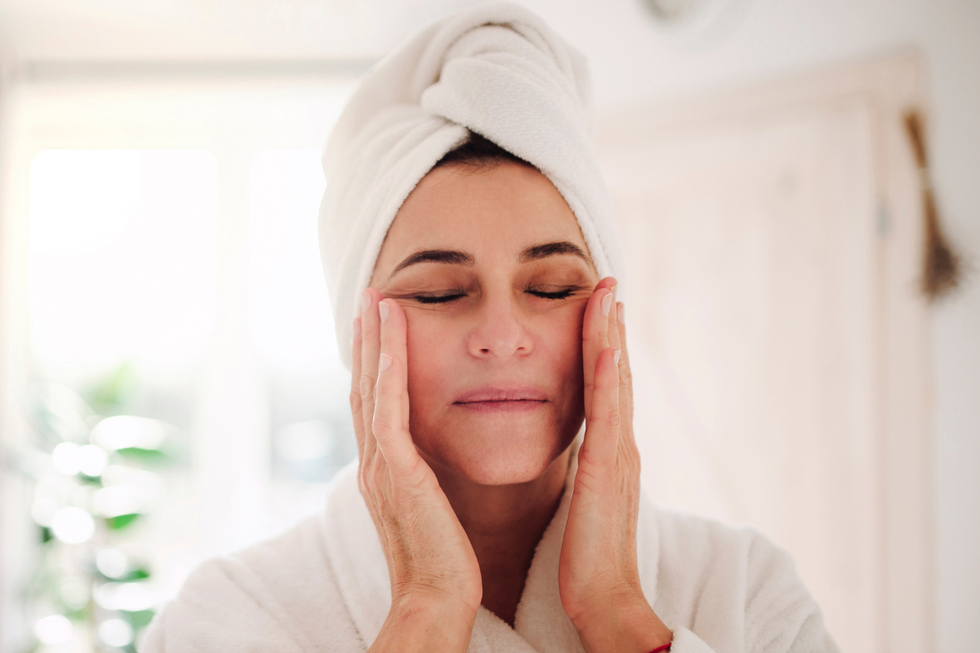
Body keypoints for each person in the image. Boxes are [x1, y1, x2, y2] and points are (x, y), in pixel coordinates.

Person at [141, 4, 839, 652]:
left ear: (607, 315)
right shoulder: (229, 616)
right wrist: (425, 609)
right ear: (358, 335)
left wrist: (619, 611)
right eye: (442, 292)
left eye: (551, 286)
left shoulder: (744, 592)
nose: (503, 334)